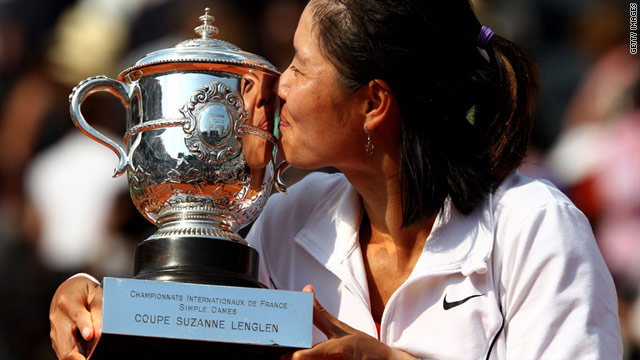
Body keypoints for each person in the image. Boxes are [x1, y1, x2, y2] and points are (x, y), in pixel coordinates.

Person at [49, 0, 623, 359]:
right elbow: (181, 328)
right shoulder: (281, 219)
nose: (276, 86)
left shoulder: (535, 228)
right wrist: (96, 306)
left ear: (373, 103)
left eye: (298, 65)